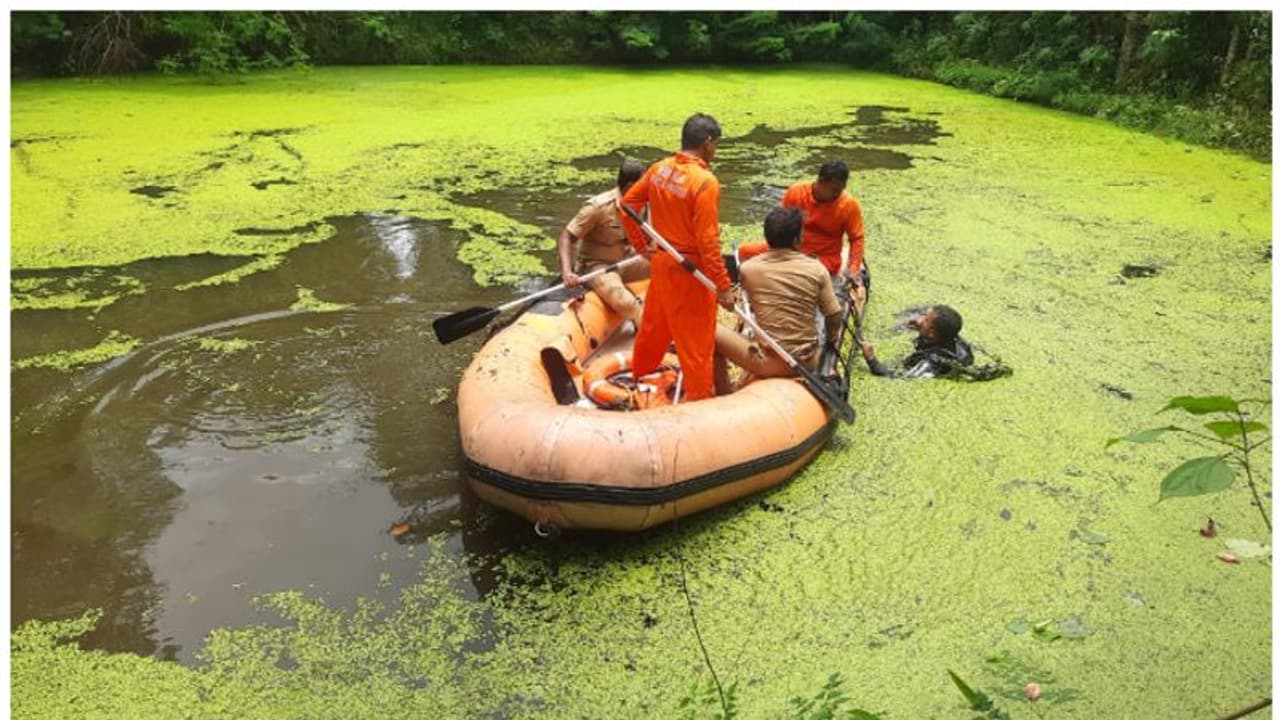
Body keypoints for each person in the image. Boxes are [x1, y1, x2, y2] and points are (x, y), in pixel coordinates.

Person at [620, 113, 735, 402]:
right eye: (716, 145)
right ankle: (698, 402)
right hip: (690, 271)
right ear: (708, 143)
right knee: (697, 342)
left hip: (662, 261)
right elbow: (708, 242)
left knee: (653, 327)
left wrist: (642, 246)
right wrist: (722, 286)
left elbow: (627, 205)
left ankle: (639, 377)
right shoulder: (705, 182)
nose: (715, 151)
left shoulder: (659, 169)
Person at [714, 207, 842, 393]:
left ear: (767, 238)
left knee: (710, 331)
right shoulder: (817, 269)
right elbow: (834, 315)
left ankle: (724, 392)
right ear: (798, 240)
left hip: (767, 362)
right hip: (808, 359)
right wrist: (830, 342)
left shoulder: (748, 270)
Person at [738, 159, 867, 303]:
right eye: (835, 190)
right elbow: (780, 223)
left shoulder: (849, 205)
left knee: (804, 271)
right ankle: (747, 291)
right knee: (744, 251)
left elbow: (857, 238)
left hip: (822, 256)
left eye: (841, 190)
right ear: (821, 182)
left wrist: (854, 269)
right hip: (788, 247)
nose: (838, 194)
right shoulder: (796, 192)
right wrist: (778, 252)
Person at [556, 159, 650, 323]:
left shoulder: (645, 206)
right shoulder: (598, 208)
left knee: (670, 267)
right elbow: (567, 236)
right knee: (627, 302)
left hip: (628, 261)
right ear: (630, 185)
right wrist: (567, 271)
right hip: (598, 267)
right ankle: (649, 331)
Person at [857, 305, 974, 379]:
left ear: (932, 333)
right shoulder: (945, 336)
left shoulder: (932, 362)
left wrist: (871, 359)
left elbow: (899, 378)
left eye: (926, 320)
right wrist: (922, 328)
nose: (920, 320)